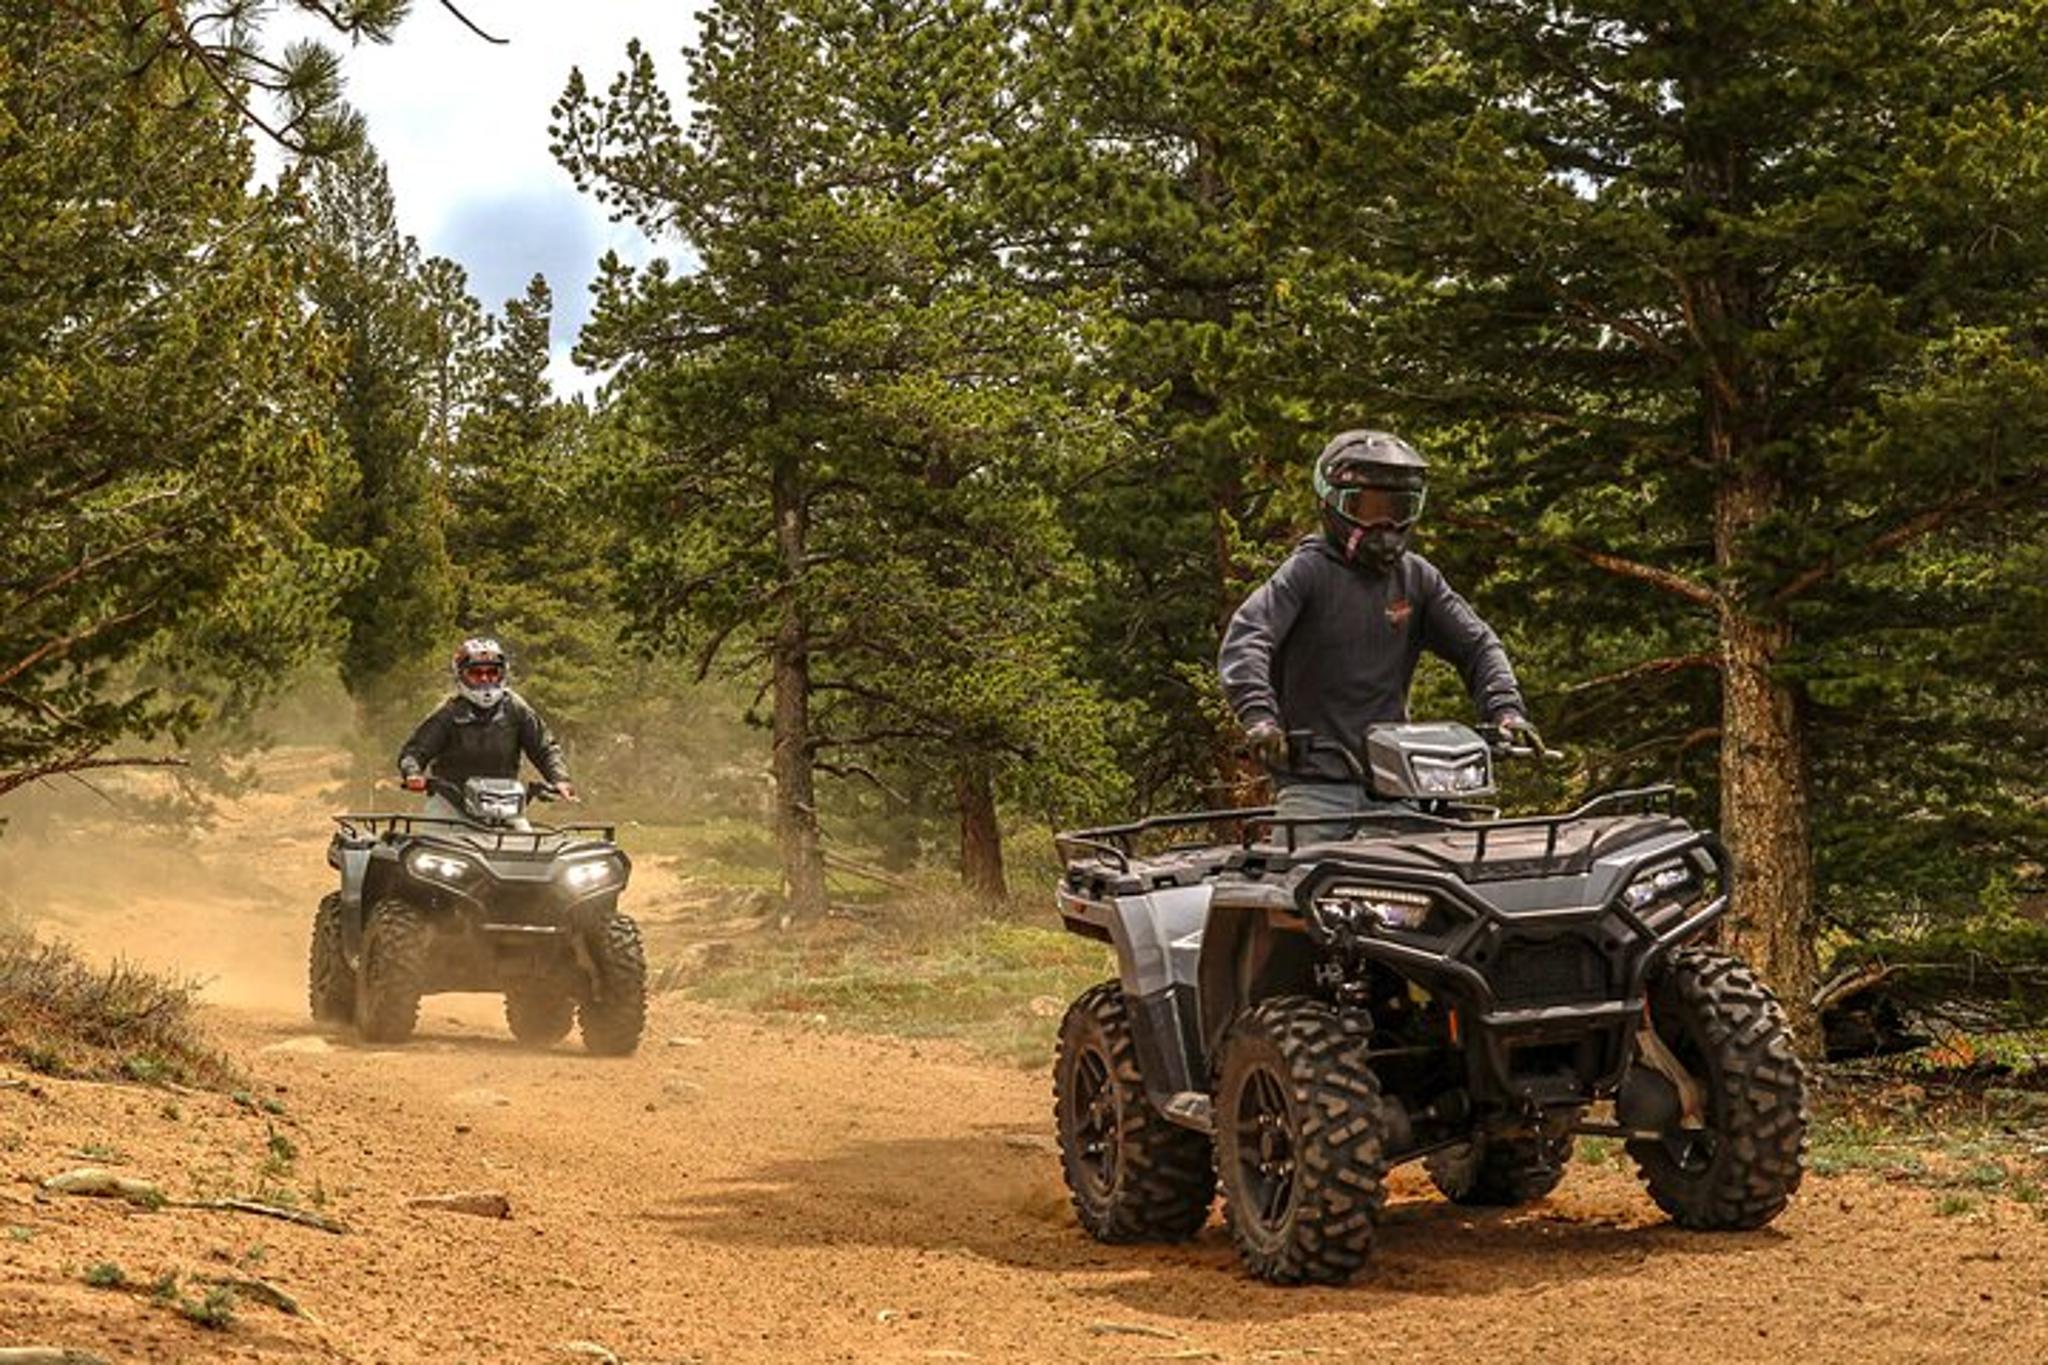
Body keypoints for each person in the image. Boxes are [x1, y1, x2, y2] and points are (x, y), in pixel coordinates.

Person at [1218, 429, 1530, 840]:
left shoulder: (1417, 578)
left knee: (1461, 880)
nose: (1384, 523)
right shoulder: (1307, 573)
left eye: (1397, 508)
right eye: (1367, 508)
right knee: (1300, 890)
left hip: (1403, 788)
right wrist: (1260, 719)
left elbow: (1478, 645)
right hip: (1317, 788)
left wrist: (1506, 711)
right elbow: (1248, 636)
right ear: (1331, 504)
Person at [397, 637, 577, 823]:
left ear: (503, 674)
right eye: (476, 673)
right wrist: (413, 773)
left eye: (492, 672)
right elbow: (415, 751)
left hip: (506, 806)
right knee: (436, 849)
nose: (484, 679)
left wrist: (559, 779)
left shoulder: (516, 709)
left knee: (528, 847)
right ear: (461, 675)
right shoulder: (447, 713)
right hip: (451, 806)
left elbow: (544, 748)